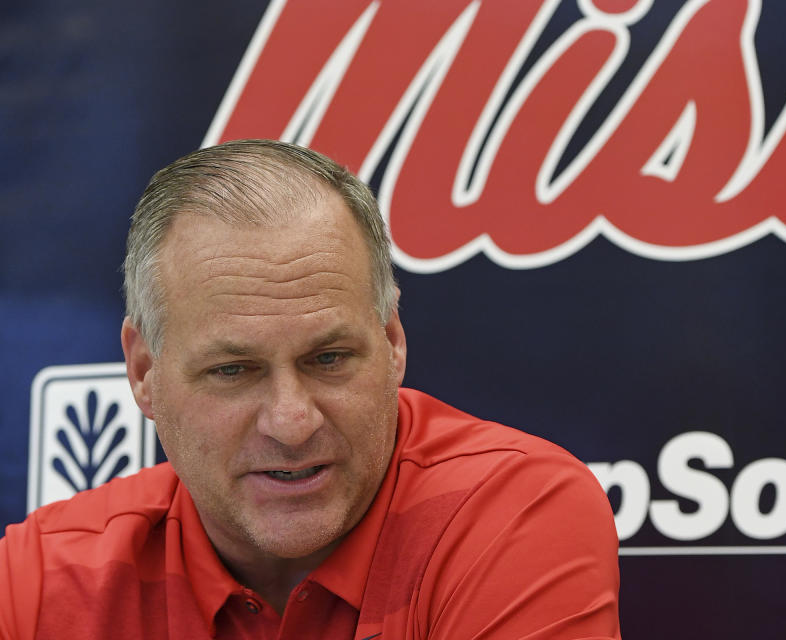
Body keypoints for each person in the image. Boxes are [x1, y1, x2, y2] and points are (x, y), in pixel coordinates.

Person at [0, 139, 621, 639]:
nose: (292, 421)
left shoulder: (512, 511)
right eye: (233, 370)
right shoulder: (45, 574)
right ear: (144, 374)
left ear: (393, 343)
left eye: (329, 358)